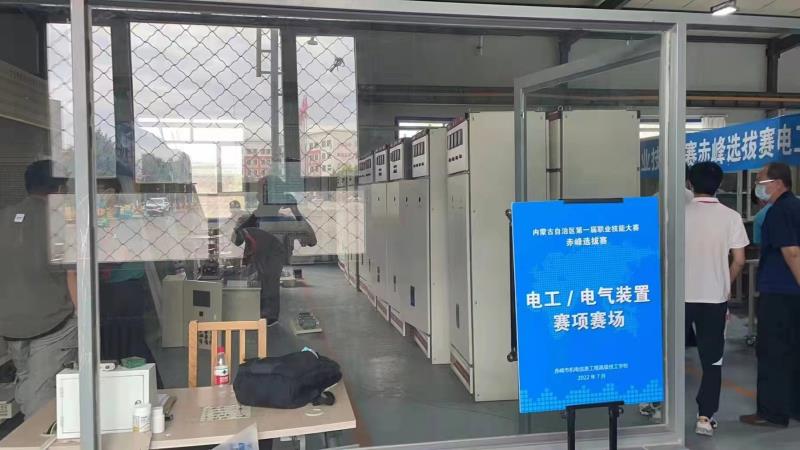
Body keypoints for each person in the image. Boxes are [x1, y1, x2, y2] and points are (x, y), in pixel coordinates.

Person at [0, 160, 78, 418]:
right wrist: (83, 318)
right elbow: (73, 274)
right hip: (52, 322)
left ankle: (27, 427)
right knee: (41, 396)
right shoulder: (60, 223)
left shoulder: (5, 216)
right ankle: (35, 433)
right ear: (60, 189)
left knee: (26, 381)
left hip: (10, 324)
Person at [685, 161, 748, 436]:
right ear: (719, 185)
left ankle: (658, 405)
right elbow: (739, 260)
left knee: (668, 354)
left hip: (680, 297)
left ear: (690, 184)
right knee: (712, 359)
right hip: (714, 298)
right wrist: (725, 283)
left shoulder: (677, 215)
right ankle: (705, 417)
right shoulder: (731, 216)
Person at [741, 162, 800, 428]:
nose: (757, 185)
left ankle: (772, 412)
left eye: (760, 180)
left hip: (779, 292)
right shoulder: (796, 206)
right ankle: (794, 407)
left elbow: (792, 252)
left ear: (777, 183)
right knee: (794, 350)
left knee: (772, 352)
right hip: (792, 293)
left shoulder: (778, 212)